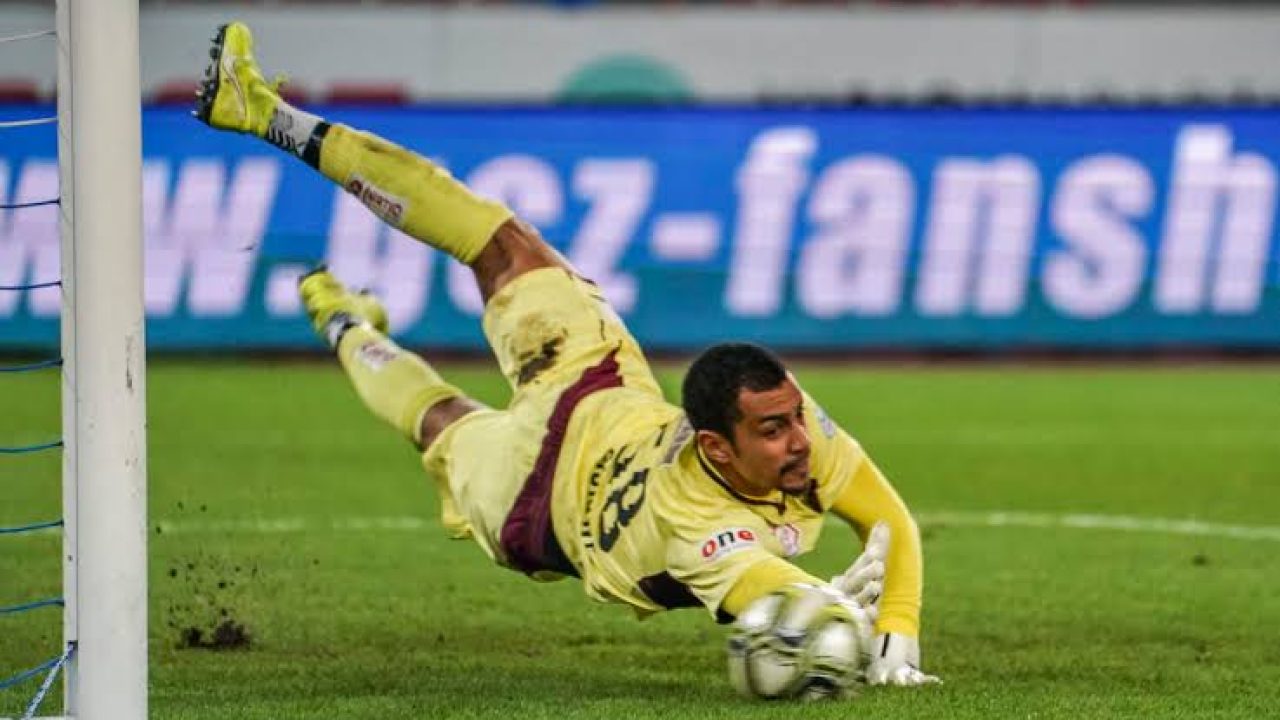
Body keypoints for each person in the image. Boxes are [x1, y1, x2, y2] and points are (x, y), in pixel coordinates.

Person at [194, 22, 939, 687]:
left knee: (440, 419)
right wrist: (821, 613)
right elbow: (767, 596)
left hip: (537, 504)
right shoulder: (705, 516)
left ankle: (344, 323)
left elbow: (883, 525)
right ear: (714, 442)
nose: (800, 437)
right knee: (502, 243)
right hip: (596, 388)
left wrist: (895, 629)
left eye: (793, 418)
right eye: (774, 429)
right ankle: (263, 112)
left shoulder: (754, 471)